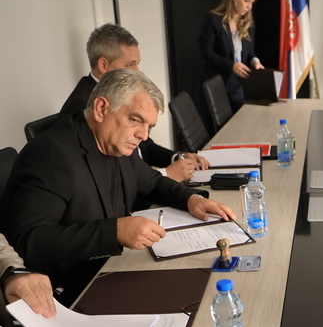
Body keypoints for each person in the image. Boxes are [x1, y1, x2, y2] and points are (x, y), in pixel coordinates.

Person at [1, 69, 235, 306]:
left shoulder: (117, 141)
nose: (143, 135)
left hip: (113, 267)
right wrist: (114, 232)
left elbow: (152, 182)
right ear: (102, 109)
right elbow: (30, 242)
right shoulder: (50, 154)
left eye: (149, 126)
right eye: (135, 120)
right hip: (68, 291)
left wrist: (192, 200)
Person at [60, 23, 208, 182]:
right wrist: (166, 174)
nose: (137, 70)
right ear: (104, 65)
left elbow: (145, 147)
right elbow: (107, 176)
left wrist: (178, 158)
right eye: (130, 64)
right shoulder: (81, 106)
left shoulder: (123, 92)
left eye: (138, 63)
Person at [199, 0, 265, 113]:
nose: (249, 7)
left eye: (252, 2)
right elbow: (206, 53)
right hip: (214, 85)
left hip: (236, 85)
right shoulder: (213, 20)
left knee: (243, 118)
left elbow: (250, 52)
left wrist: (255, 62)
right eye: (246, 0)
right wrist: (231, 65)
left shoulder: (248, 24)